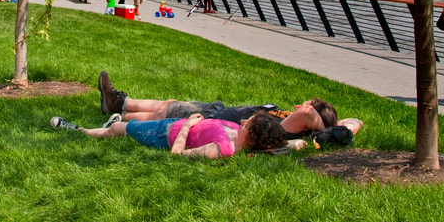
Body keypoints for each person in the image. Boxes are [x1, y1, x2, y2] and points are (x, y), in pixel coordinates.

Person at [96, 71, 340, 139]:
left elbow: (308, 113)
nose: (299, 106)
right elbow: (354, 122)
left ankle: (120, 112)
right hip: (218, 110)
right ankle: (120, 105)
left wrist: (324, 130)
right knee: (170, 105)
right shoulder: (289, 121)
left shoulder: (289, 128)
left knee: (167, 112)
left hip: (214, 119)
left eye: (304, 105)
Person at [50, 109, 287, 159]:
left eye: (248, 124)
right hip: (174, 124)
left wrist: (187, 126)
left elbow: (177, 154)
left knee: (116, 130)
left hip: (164, 135)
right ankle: (113, 119)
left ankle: (77, 129)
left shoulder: (220, 149)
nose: (243, 121)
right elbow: (293, 143)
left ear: (252, 136)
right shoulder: (237, 136)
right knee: (128, 120)